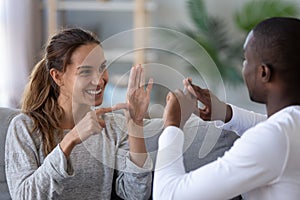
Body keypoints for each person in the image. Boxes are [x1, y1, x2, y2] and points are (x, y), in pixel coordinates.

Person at [153, 17, 300, 200]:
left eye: (246, 60)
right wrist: (225, 113)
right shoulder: (291, 126)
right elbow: (272, 125)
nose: (243, 68)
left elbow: (168, 195)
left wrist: (172, 125)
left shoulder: (275, 138)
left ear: (264, 72)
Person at [5, 28, 154, 199]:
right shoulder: (25, 127)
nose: (99, 80)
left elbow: (136, 195)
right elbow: (24, 196)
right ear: (57, 77)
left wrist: (136, 124)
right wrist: (71, 139)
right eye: (85, 71)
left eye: (102, 68)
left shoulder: (112, 127)